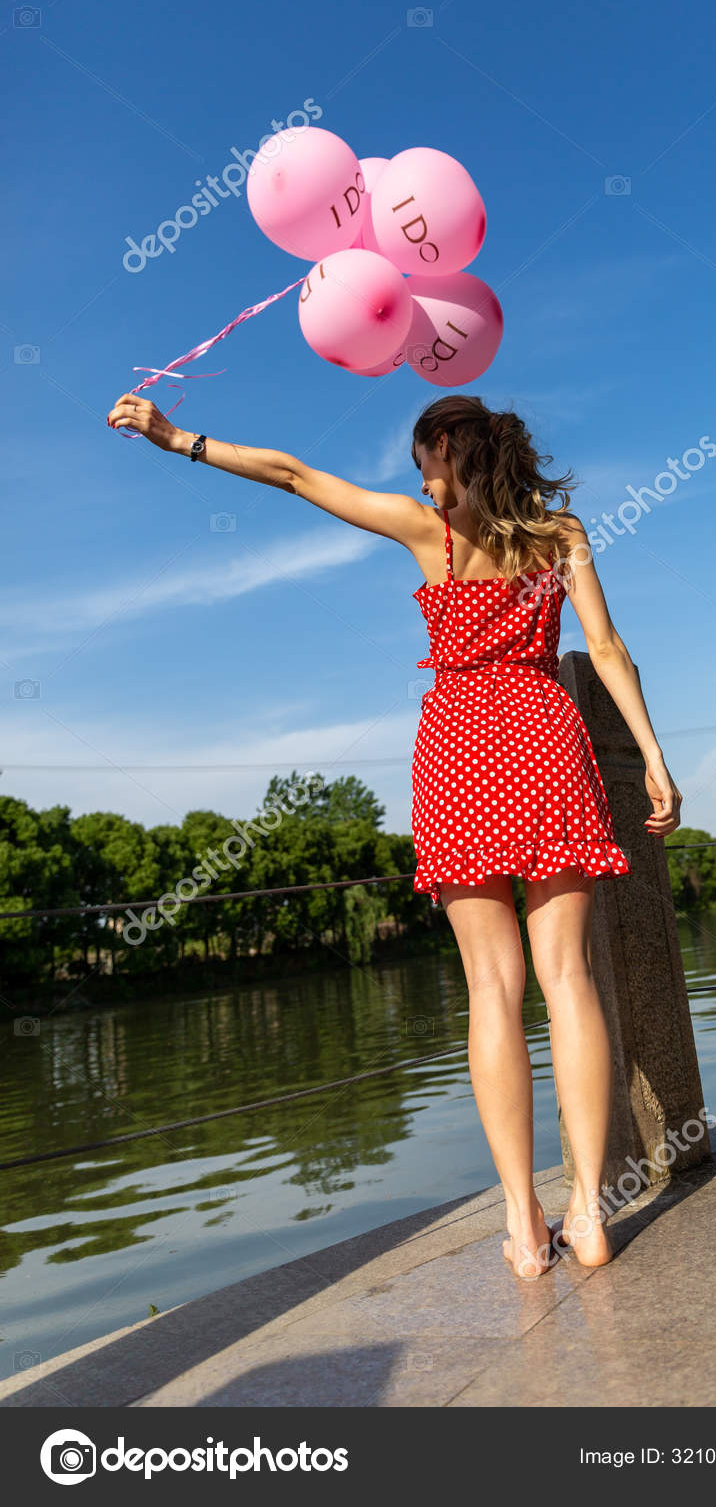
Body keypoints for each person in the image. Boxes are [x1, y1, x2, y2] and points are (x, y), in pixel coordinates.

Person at [106, 388, 683, 1280]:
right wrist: (652, 756)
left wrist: (177, 438)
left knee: (491, 987)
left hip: (458, 747)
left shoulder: (429, 536)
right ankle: (588, 1214)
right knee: (566, 978)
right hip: (543, 733)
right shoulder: (557, 538)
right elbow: (605, 649)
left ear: (449, 450)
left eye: (425, 463)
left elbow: (293, 475)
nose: (422, 480)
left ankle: (524, 1225)